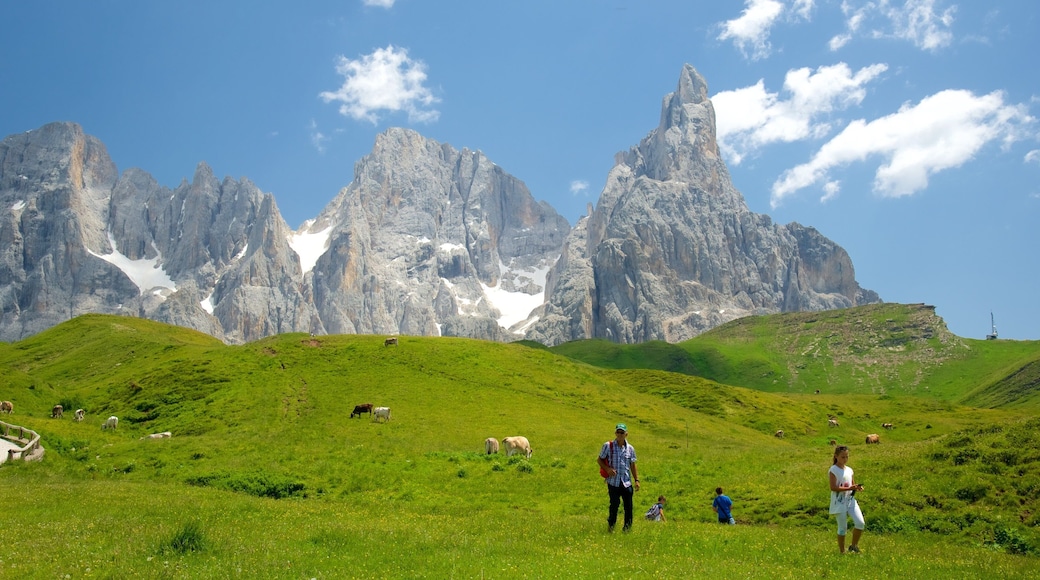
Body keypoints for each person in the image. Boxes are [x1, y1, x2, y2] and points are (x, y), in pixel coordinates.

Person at [597, 423, 639, 532]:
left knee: (628, 507)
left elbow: (633, 465)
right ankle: (611, 527)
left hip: (626, 482)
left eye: (622, 432)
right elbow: (599, 459)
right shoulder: (608, 445)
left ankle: (627, 529)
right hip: (613, 482)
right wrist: (607, 469)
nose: (620, 434)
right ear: (615, 433)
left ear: (626, 434)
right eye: (618, 432)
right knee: (614, 506)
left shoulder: (630, 449)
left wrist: (636, 480)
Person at [829, 445, 865, 554]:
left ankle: (853, 546)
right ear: (836, 456)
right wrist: (850, 488)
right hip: (839, 502)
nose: (845, 459)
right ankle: (842, 552)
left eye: (847, 457)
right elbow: (833, 487)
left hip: (850, 500)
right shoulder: (833, 470)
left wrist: (857, 487)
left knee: (860, 523)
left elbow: (852, 484)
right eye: (842, 457)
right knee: (842, 528)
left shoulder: (849, 470)